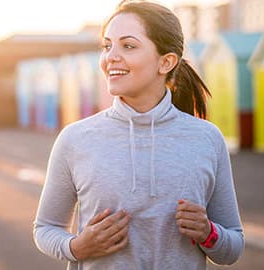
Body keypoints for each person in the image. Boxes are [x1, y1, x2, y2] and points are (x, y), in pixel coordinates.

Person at [33, 1, 244, 269]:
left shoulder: (207, 139)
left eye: (128, 46)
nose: (111, 56)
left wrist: (209, 233)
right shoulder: (75, 139)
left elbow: (233, 248)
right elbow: (45, 228)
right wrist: (76, 247)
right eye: (107, 45)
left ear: (166, 62)